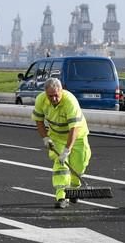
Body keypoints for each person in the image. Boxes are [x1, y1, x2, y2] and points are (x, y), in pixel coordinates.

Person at [33, 77, 91, 209]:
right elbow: (39, 120)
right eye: (50, 96)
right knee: (61, 166)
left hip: (77, 136)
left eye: (56, 95)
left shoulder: (70, 101)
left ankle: (74, 189)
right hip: (57, 136)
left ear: (61, 91)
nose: (53, 99)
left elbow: (74, 128)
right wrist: (45, 138)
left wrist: (67, 150)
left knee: (79, 164)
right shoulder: (41, 100)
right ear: (45, 93)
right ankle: (61, 197)